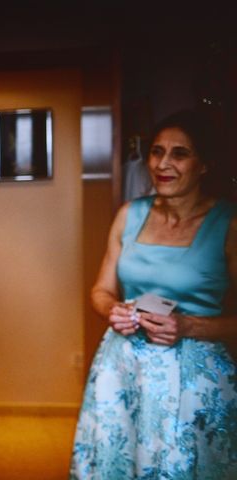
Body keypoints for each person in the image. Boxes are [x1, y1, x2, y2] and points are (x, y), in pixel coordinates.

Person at [71, 110, 237, 479]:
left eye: (180, 153)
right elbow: (101, 289)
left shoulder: (229, 223)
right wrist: (112, 310)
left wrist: (188, 325)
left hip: (195, 376)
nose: (164, 163)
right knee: (119, 462)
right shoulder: (129, 214)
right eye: (157, 151)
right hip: (123, 364)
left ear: (205, 163)